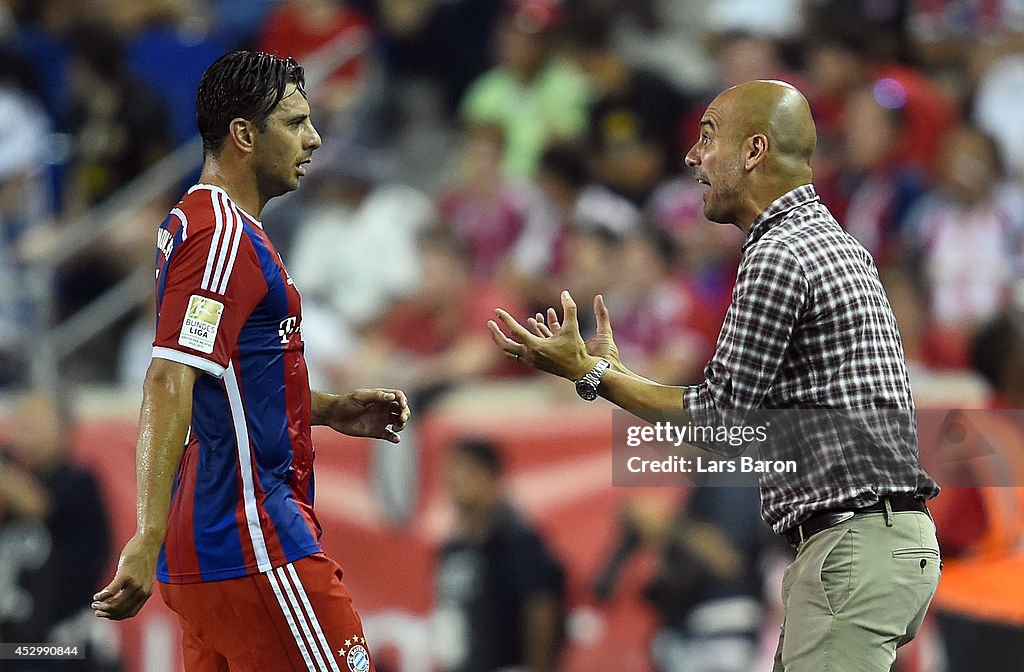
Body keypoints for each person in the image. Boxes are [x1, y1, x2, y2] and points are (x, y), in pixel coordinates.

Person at [488, 80, 941, 671]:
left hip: (854, 545)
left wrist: (593, 375)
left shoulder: (779, 252)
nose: (691, 157)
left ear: (753, 151)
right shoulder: (827, 240)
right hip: (873, 540)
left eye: (707, 138)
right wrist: (622, 375)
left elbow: (722, 421)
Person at [90, 51, 411, 672]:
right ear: (244, 134)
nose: (313, 139)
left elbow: (223, 378)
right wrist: (145, 534)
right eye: (295, 123)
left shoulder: (206, 226)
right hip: (251, 540)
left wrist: (329, 408)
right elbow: (169, 377)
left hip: (213, 551)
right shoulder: (221, 234)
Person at [0, 392, 119, 672]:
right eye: (21, 420)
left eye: (35, 421)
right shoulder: (12, 475)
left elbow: (37, 504)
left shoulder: (77, 482)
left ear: (63, 429)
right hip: (18, 645)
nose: (23, 429)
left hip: (65, 644)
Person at [433, 439, 566, 672]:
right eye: (449, 471)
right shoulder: (453, 548)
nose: (453, 481)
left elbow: (541, 606)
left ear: (491, 477)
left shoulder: (517, 541)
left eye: (464, 471)